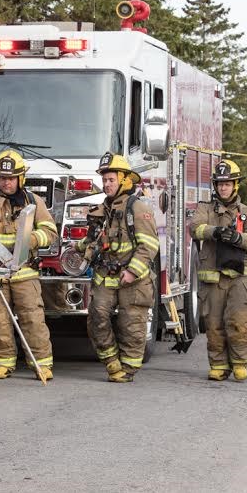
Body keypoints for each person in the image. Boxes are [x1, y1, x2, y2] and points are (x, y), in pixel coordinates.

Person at [0, 150, 57, 380]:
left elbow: (51, 232)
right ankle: (3, 362)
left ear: (21, 179)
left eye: (11, 178)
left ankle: (41, 363)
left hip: (25, 273)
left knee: (32, 319)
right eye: (3, 178)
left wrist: (33, 239)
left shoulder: (33, 202)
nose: (7, 182)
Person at [76, 153, 160, 383]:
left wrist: (132, 271)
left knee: (131, 323)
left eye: (111, 179)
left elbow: (149, 245)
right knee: (96, 316)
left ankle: (129, 368)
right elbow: (93, 241)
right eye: (104, 180)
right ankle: (112, 362)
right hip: (105, 276)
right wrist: (78, 249)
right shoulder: (102, 209)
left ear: (124, 180)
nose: (106, 184)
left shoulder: (138, 208)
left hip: (133, 278)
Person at [188, 159, 247, 382]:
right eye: (220, 184)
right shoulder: (205, 208)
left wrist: (238, 237)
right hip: (213, 278)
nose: (223, 188)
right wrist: (216, 232)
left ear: (235, 185)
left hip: (239, 278)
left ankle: (239, 363)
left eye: (227, 184)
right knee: (214, 324)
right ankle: (218, 365)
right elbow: (195, 229)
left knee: (239, 322)